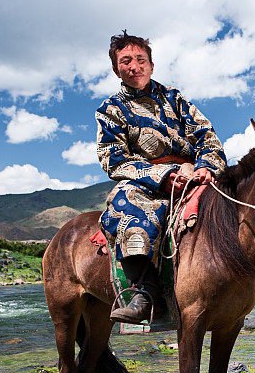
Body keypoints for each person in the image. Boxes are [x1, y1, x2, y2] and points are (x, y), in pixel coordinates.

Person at [96, 31, 226, 324]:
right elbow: (113, 158)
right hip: (144, 181)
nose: (134, 66)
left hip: (192, 173)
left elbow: (207, 136)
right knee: (125, 208)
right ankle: (145, 293)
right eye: (125, 61)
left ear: (151, 66)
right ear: (117, 69)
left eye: (141, 60)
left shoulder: (175, 99)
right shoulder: (110, 110)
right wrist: (162, 176)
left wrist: (206, 166)